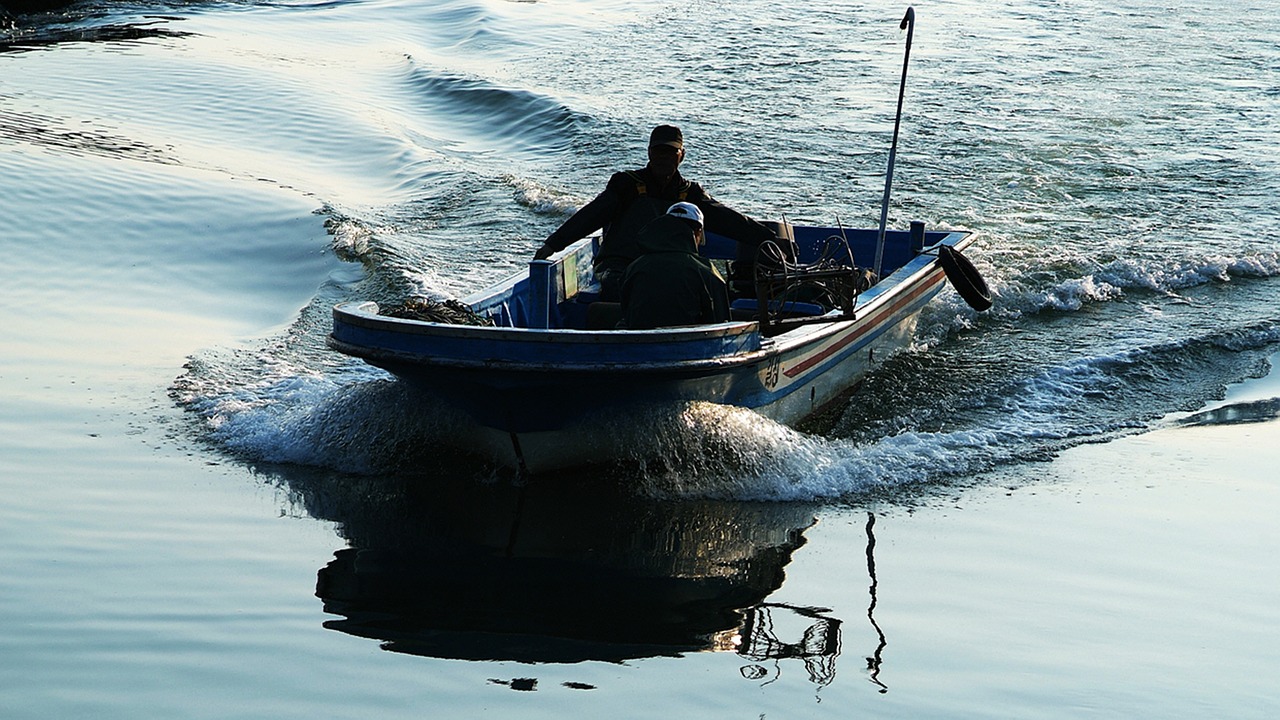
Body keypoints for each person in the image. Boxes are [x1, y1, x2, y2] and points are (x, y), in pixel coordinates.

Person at [533, 124, 776, 301]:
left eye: (670, 152)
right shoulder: (626, 185)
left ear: (682, 155)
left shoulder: (689, 193)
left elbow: (730, 221)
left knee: (710, 290)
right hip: (621, 265)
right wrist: (552, 245)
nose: (664, 157)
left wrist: (770, 240)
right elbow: (589, 217)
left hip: (673, 266)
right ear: (649, 152)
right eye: (659, 151)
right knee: (621, 289)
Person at [620, 202, 730, 329]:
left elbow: (626, 312)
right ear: (698, 232)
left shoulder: (634, 267)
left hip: (637, 343)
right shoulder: (705, 270)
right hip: (690, 345)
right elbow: (721, 326)